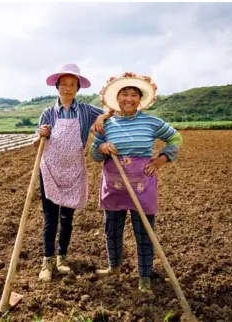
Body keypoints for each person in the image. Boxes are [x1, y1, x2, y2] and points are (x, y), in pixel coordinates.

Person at [90, 72, 183, 293]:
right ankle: (114, 267)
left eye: (134, 95)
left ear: (140, 100)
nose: (129, 99)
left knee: (144, 232)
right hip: (114, 187)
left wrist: (161, 160)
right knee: (112, 231)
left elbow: (176, 138)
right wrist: (101, 148)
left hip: (142, 186)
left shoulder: (151, 122)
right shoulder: (107, 123)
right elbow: (95, 154)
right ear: (117, 98)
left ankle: (144, 276)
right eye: (124, 94)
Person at [34, 63, 113, 282]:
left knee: (67, 218)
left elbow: (112, 113)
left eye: (72, 84)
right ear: (57, 86)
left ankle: (62, 258)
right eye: (64, 84)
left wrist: (101, 118)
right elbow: (35, 140)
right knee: (50, 218)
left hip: (73, 170)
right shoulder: (48, 113)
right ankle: (47, 261)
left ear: (78, 88)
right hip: (49, 168)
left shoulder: (87, 110)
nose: (68, 88)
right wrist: (40, 134)